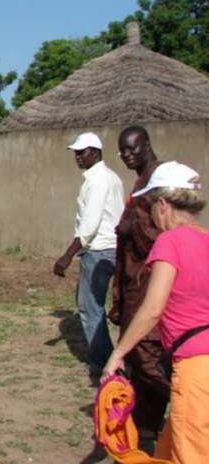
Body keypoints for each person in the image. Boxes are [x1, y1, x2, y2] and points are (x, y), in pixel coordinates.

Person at [102, 161, 209, 463]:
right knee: (171, 449)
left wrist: (118, 353)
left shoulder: (170, 241)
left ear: (163, 205)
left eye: (150, 206)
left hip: (196, 370)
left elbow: (152, 309)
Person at [110, 126, 169, 443]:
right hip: (132, 286)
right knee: (137, 359)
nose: (128, 155)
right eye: (123, 152)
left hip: (149, 287)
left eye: (133, 149)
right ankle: (146, 428)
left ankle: (189, 406)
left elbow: (156, 239)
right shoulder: (140, 184)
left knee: (147, 358)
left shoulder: (159, 185)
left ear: (147, 143)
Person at [53, 132, 124, 379]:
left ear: (94, 152)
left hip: (99, 249)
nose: (77, 157)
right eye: (76, 153)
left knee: (89, 307)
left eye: (81, 152)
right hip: (113, 248)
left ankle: (104, 362)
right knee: (94, 305)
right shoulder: (110, 177)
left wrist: (67, 256)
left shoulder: (97, 181)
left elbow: (90, 225)